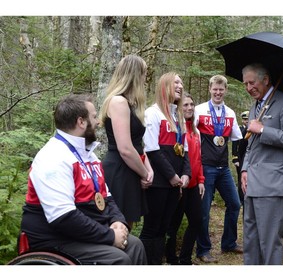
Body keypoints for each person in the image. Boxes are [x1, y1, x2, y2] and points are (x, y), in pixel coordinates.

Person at [20, 94, 147, 265]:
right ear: (81, 122)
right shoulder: (53, 157)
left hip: (81, 232)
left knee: (135, 245)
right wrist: (109, 236)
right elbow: (63, 218)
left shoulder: (89, 155)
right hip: (55, 238)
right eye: (94, 117)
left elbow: (107, 197)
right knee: (117, 259)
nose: (98, 122)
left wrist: (117, 221)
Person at [240, 63, 283, 265]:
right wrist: (245, 168)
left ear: (266, 80)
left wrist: (263, 130)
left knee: (269, 243)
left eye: (252, 82)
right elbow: (251, 144)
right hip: (253, 183)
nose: (249, 88)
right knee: (250, 240)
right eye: (245, 84)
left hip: (274, 185)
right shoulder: (255, 106)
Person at [140, 72, 191, 265]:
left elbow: (184, 151)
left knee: (164, 229)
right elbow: (152, 150)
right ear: (164, 86)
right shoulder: (152, 113)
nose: (180, 86)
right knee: (151, 228)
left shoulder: (178, 116)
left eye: (181, 82)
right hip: (159, 183)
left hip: (174, 183)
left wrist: (185, 174)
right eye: (176, 82)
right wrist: (171, 176)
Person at [100, 54, 153, 229]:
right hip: (119, 171)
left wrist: (148, 168)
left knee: (126, 228)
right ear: (135, 75)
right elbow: (125, 148)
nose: (146, 78)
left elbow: (137, 144)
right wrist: (144, 174)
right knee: (118, 228)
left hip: (130, 170)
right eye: (144, 73)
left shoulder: (130, 104)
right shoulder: (118, 102)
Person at [195, 74, 243, 263]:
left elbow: (238, 138)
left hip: (223, 168)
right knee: (204, 211)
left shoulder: (230, 113)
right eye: (215, 89)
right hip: (205, 167)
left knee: (235, 204)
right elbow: (190, 133)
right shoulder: (199, 110)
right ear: (210, 89)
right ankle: (203, 249)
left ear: (225, 91)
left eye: (221, 89)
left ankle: (229, 243)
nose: (218, 92)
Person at [165, 92, 205, 265]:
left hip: (194, 184)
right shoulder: (177, 130)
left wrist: (201, 180)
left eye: (191, 105)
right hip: (180, 185)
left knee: (196, 221)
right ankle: (172, 260)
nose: (189, 108)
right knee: (173, 226)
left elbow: (199, 158)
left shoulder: (196, 131)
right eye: (185, 105)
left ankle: (185, 259)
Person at [232, 110, 249, 205]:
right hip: (240, 158)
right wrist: (235, 158)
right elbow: (235, 145)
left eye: (247, 119)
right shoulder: (239, 129)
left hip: (248, 157)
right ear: (242, 120)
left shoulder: (251, 129)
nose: (246, 121)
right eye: (245, 119)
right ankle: (241, 198)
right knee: (240, 178)